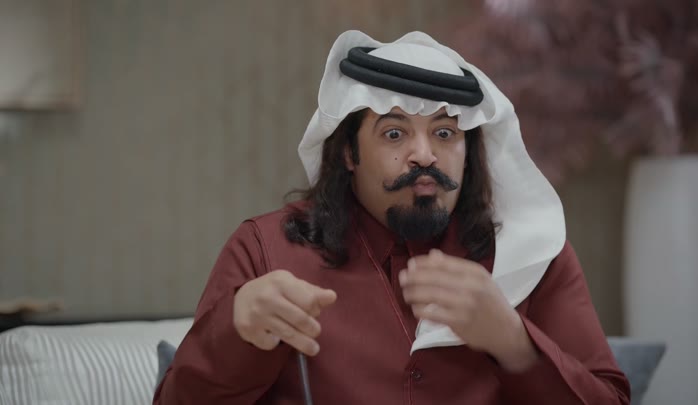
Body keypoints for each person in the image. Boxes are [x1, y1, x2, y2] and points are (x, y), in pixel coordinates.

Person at [153, 30, 630, 404]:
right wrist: (236, 333)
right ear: (349, 154)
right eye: (395, 134)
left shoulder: (532, 256)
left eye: (445, 133)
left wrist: (514, 343)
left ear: (469, 153)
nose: (424, 155)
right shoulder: (267, 251)